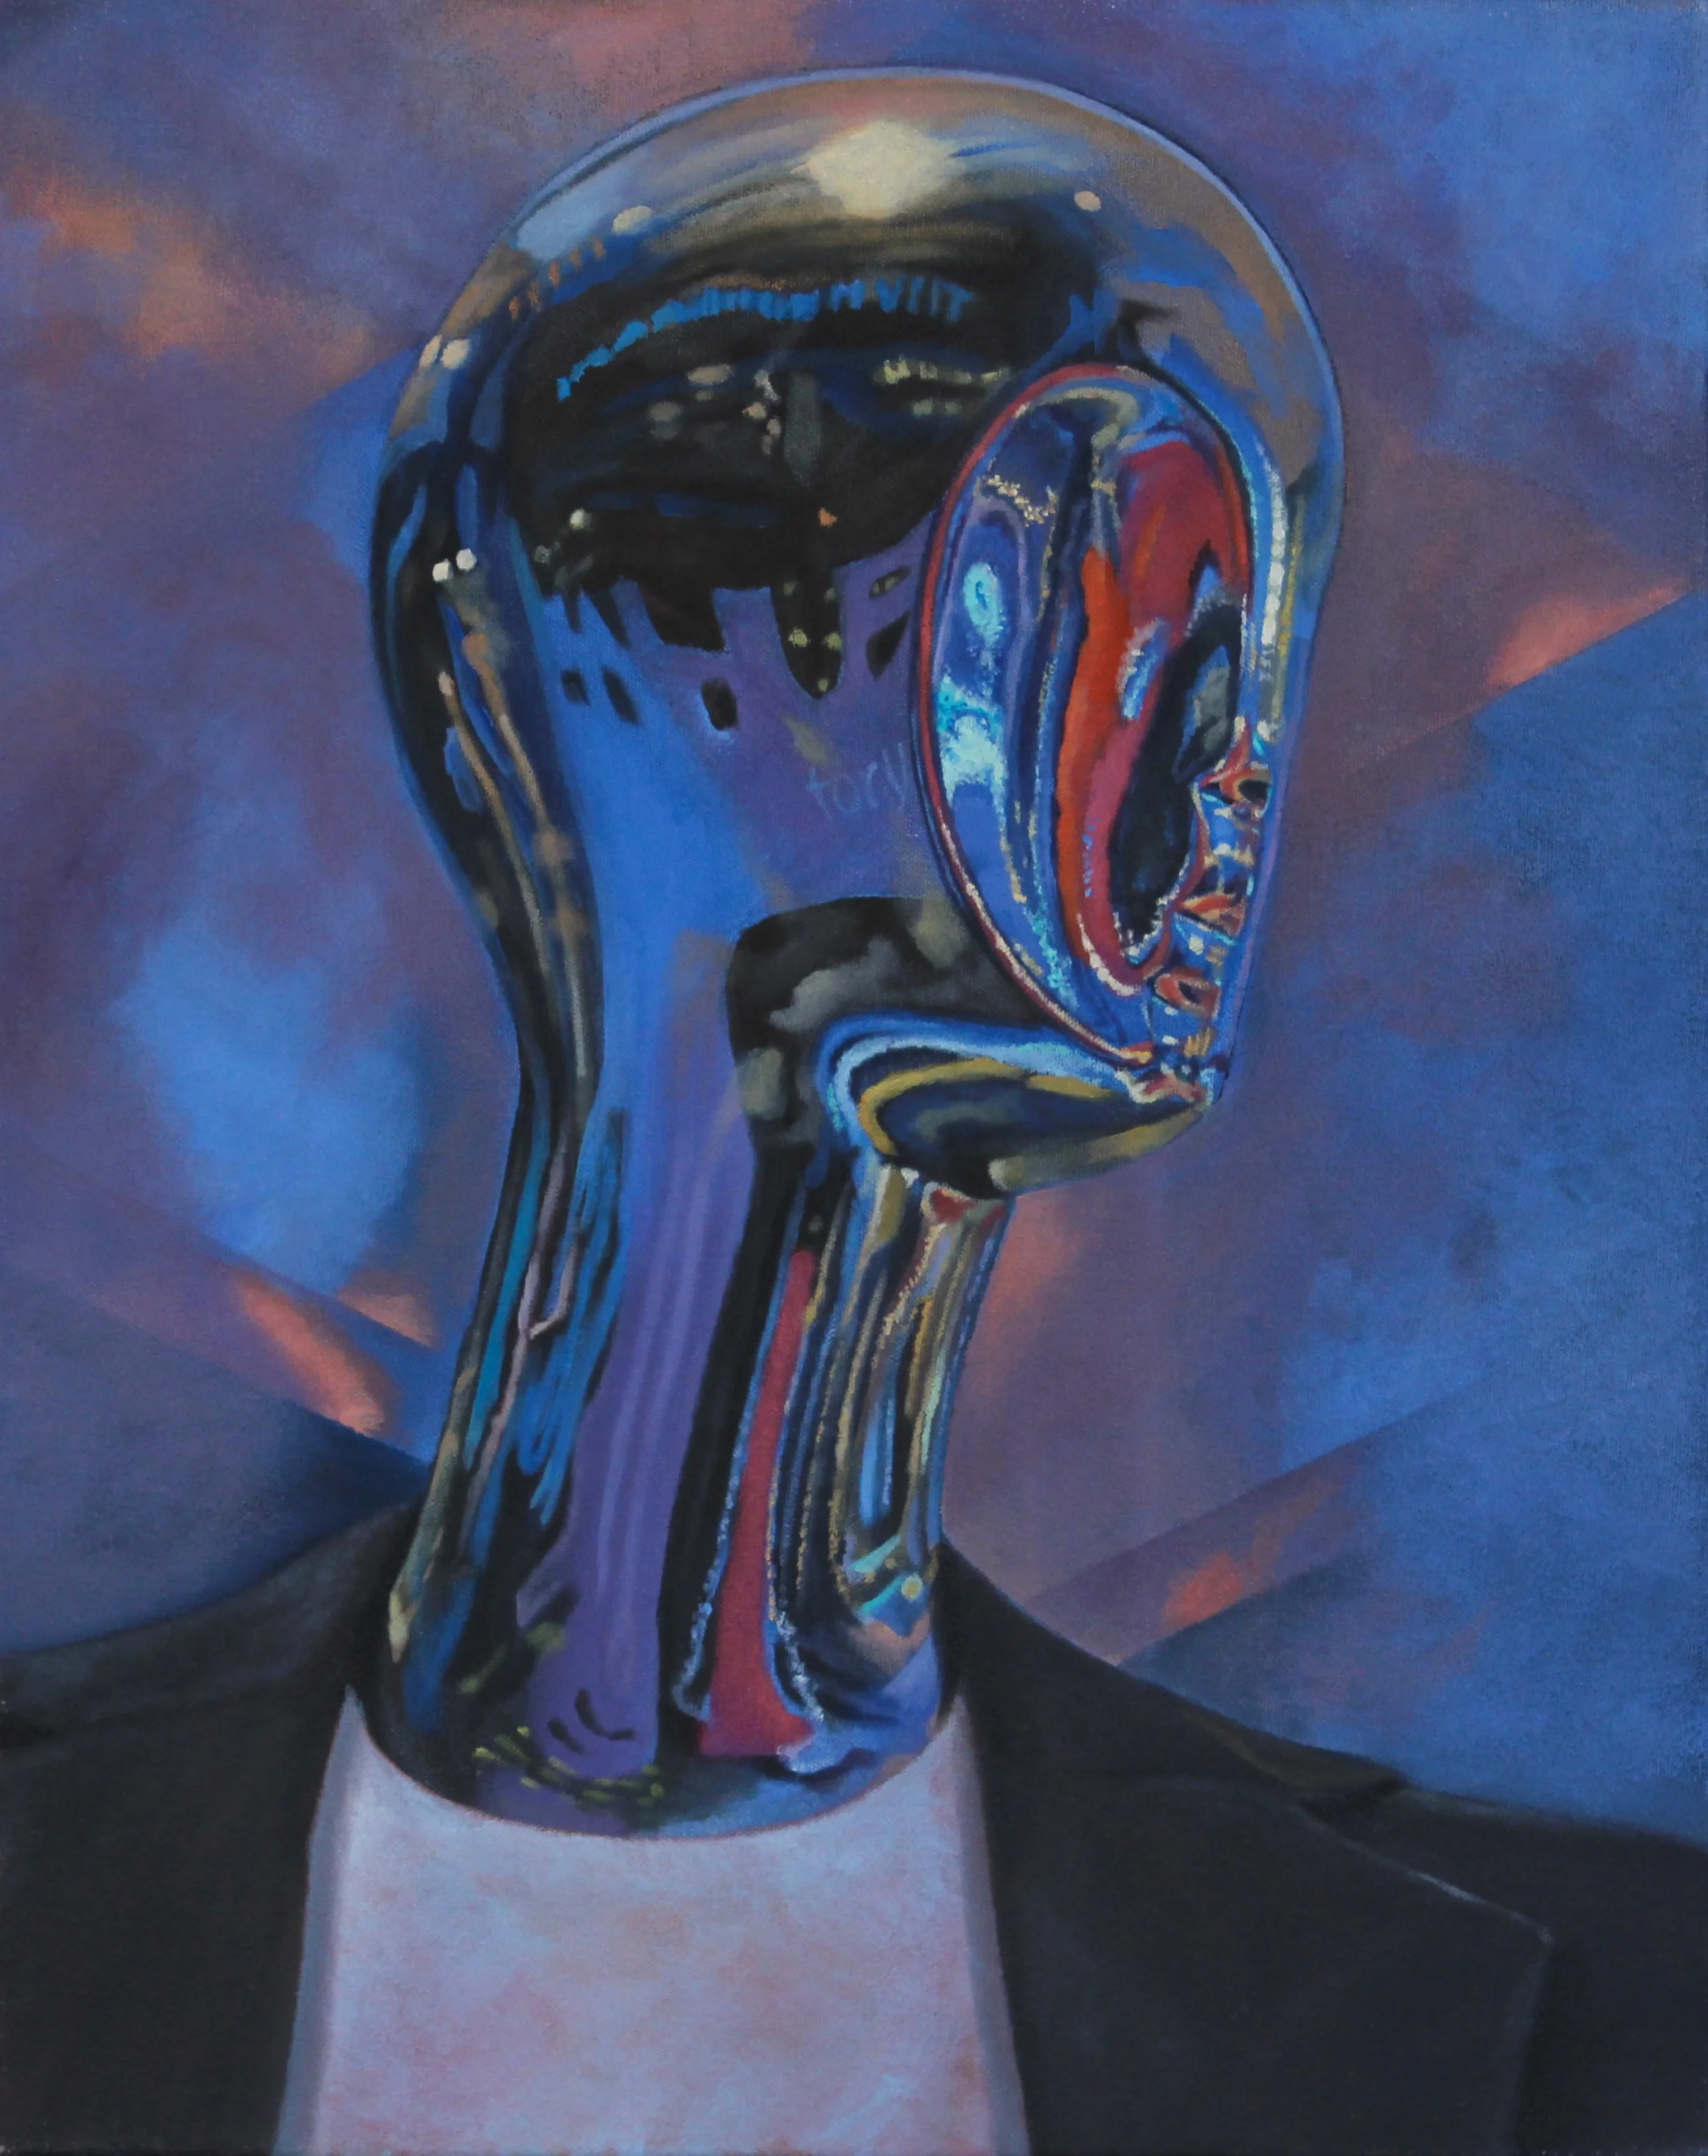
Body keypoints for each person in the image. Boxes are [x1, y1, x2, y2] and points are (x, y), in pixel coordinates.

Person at [2, 70, 1704, 2156]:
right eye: (1107, 565)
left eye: (1254, 626)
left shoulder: (1613, 2009)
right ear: (655, 668)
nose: (1238, 753)